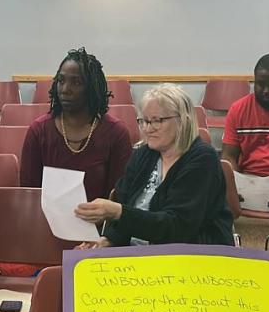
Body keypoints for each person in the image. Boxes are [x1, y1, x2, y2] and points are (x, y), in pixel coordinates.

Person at [75, 84, 234, 247]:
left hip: (188, 255)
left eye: (157, 121)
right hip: (138, 253)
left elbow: (178, 227)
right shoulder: (143, 154)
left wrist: (117, 212)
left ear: (182, 120)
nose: (148, 129)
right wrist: (108, 240)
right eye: (143, 121)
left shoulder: (202, 159)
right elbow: (125, 203)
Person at [20, 47, 133, 200]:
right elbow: (29, 193)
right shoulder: (39, 131)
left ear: (92, 88)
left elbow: (118, 198)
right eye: (61, 81)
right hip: (45, 222)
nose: (65, 89)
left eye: (77, 82)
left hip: (99, 222)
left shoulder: (116, 133)